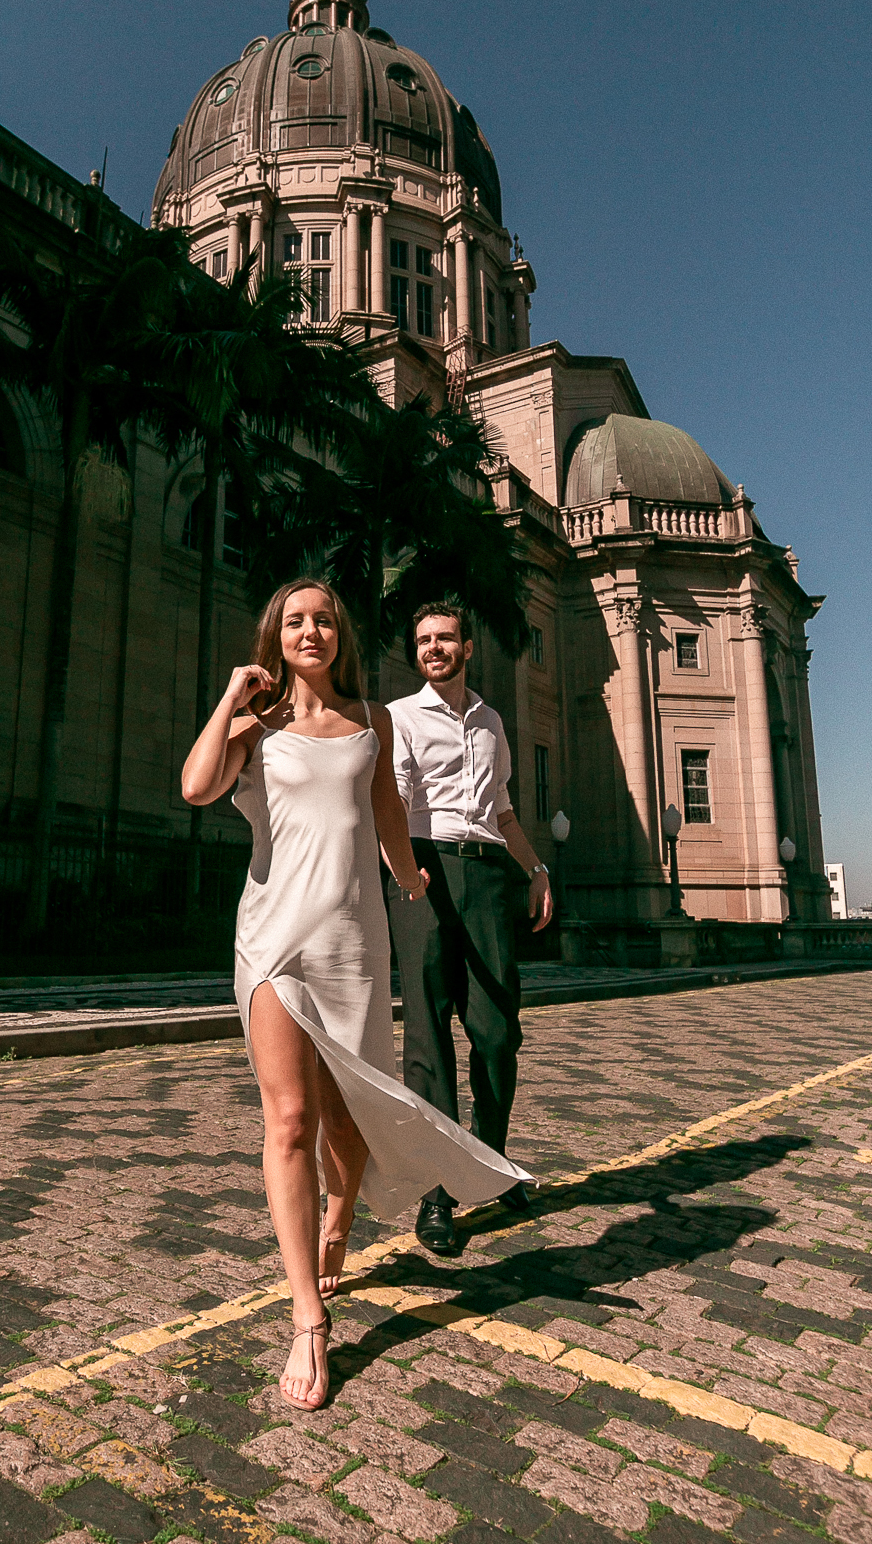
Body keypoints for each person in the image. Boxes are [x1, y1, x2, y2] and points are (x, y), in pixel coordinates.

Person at [181, 578, 531, 1412]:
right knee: (289, 1120)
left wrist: (416, 885)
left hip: (353, 942)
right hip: (273, 940)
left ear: (341, 634)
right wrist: (232, 696)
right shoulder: (254, 727)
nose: (311, 631)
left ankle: (340, 1214)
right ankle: (308, 1317)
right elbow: (195, 787)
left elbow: (388, 820)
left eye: (324, 620)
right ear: (277, 636)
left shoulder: (374, 723)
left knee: (347, 1119)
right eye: (294, 621)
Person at [387, 601, 553, 1258]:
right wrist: (404, 873)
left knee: (497, 1030)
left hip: (486, 875)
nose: (433, 648)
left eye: (444, 638)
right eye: (423, 639)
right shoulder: (402, 716)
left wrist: (535, 869)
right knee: (428, 1036)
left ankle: (489, 1162)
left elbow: (502, 811)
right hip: (423, 870)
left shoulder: (491, 722)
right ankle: (435, 1193)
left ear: (467, 646)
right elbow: (394, 800)